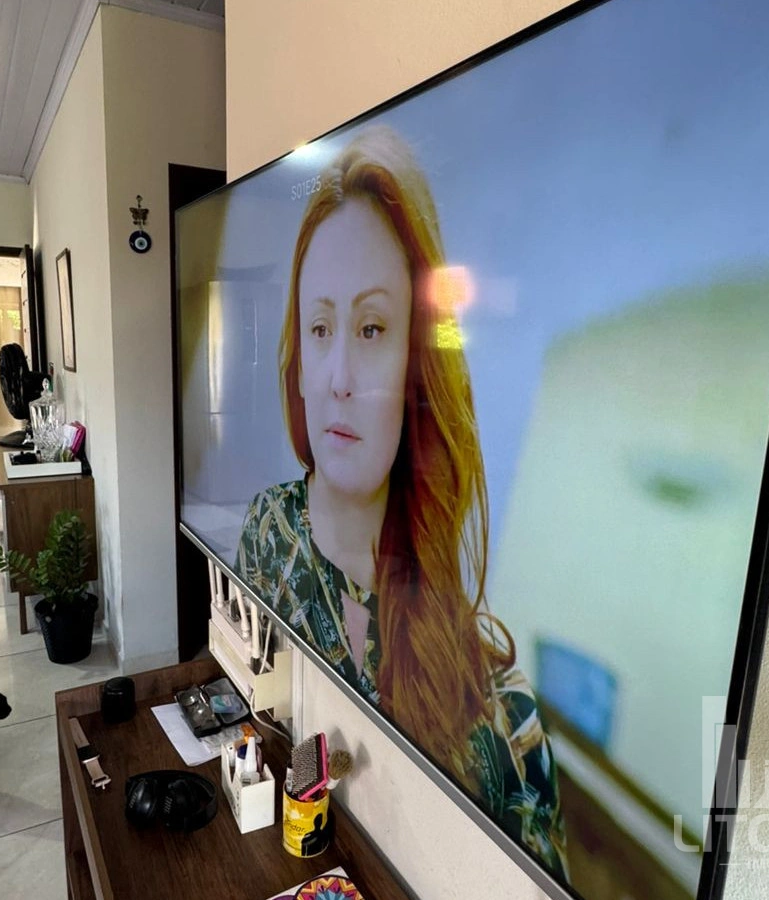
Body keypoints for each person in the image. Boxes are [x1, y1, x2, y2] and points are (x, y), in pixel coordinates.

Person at [236, 125, 568, 877]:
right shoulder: (265, 530)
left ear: (417, 363)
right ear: (297, 360)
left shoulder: (504, 719)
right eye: (321, 327)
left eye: (372, 327)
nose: (338, 376)